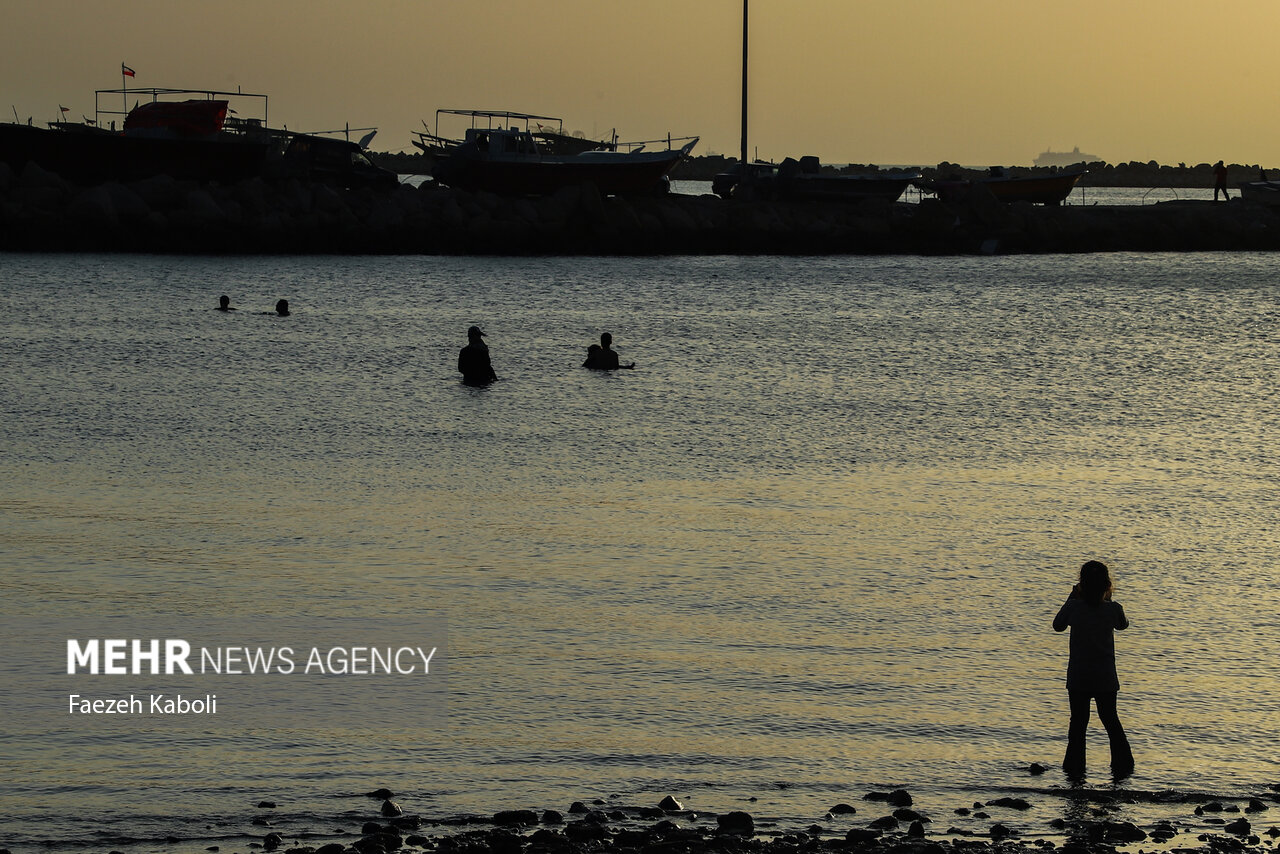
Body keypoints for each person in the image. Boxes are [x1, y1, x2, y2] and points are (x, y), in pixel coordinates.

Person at [1053, 560, 1134, 777]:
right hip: (1105, 677)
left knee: (1078, 724)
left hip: (1079, 676)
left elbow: (1057, 625)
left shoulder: (1073, 607)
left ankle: (1074, 769)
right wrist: (1108, 598)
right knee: (1111, 720)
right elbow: (1123, 624)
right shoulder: (1113, 609)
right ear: (1107, 585)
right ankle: (1123, 767)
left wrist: (1072, 597)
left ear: (1081, 584)